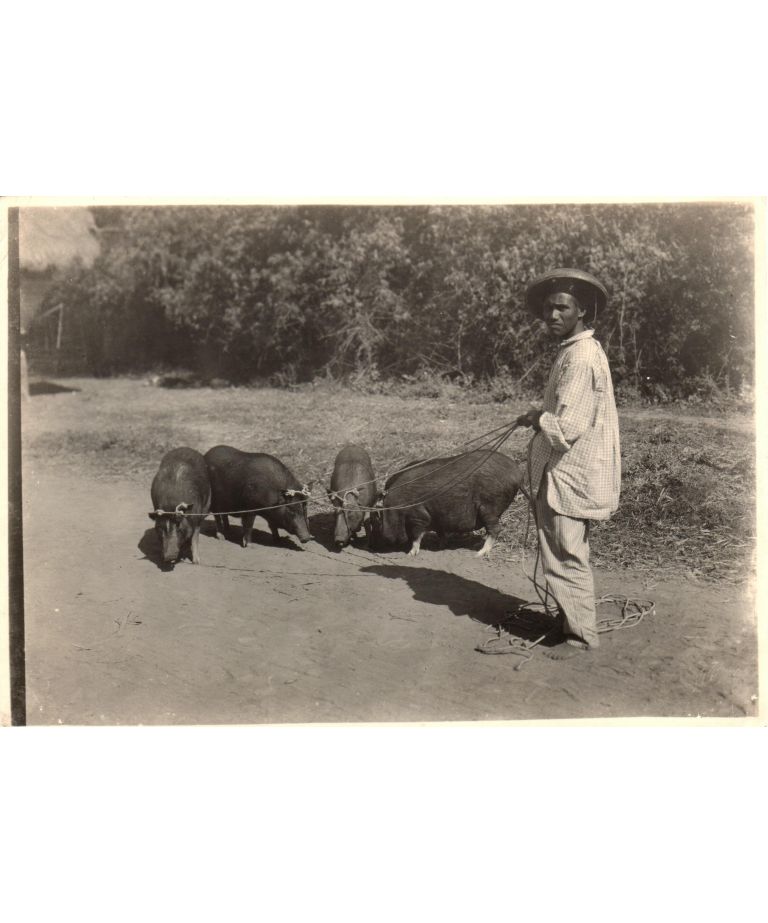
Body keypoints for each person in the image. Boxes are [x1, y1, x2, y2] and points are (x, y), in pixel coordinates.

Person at [515, 269, 621, 659]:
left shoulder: (580, 357)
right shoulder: (575, 351)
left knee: (565, 554)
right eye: (548, 308)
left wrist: (537, 418)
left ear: (582, 311)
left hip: (570, 473)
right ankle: (569, 622)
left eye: (562, 307)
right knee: (564, 550)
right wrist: (542, 416)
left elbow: (567, 428)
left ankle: (580, 637)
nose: (553, 315)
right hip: (568, 470)